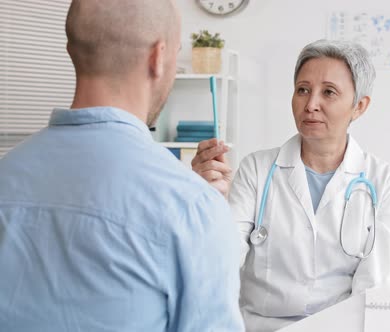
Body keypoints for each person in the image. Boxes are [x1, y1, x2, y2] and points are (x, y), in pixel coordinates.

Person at [0, 0, 243, 331]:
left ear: (71, 50)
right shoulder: (194, 209)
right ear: (158, 58)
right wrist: (190, 202)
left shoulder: (6, 175)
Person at [192, 39, 390, 331]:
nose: (310, 105)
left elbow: (373, 286)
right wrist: (204, 199)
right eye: (302, 90)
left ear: (359, 106)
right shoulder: (257, 170)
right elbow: (222, 263)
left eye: (329, 92)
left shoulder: (384, 182)